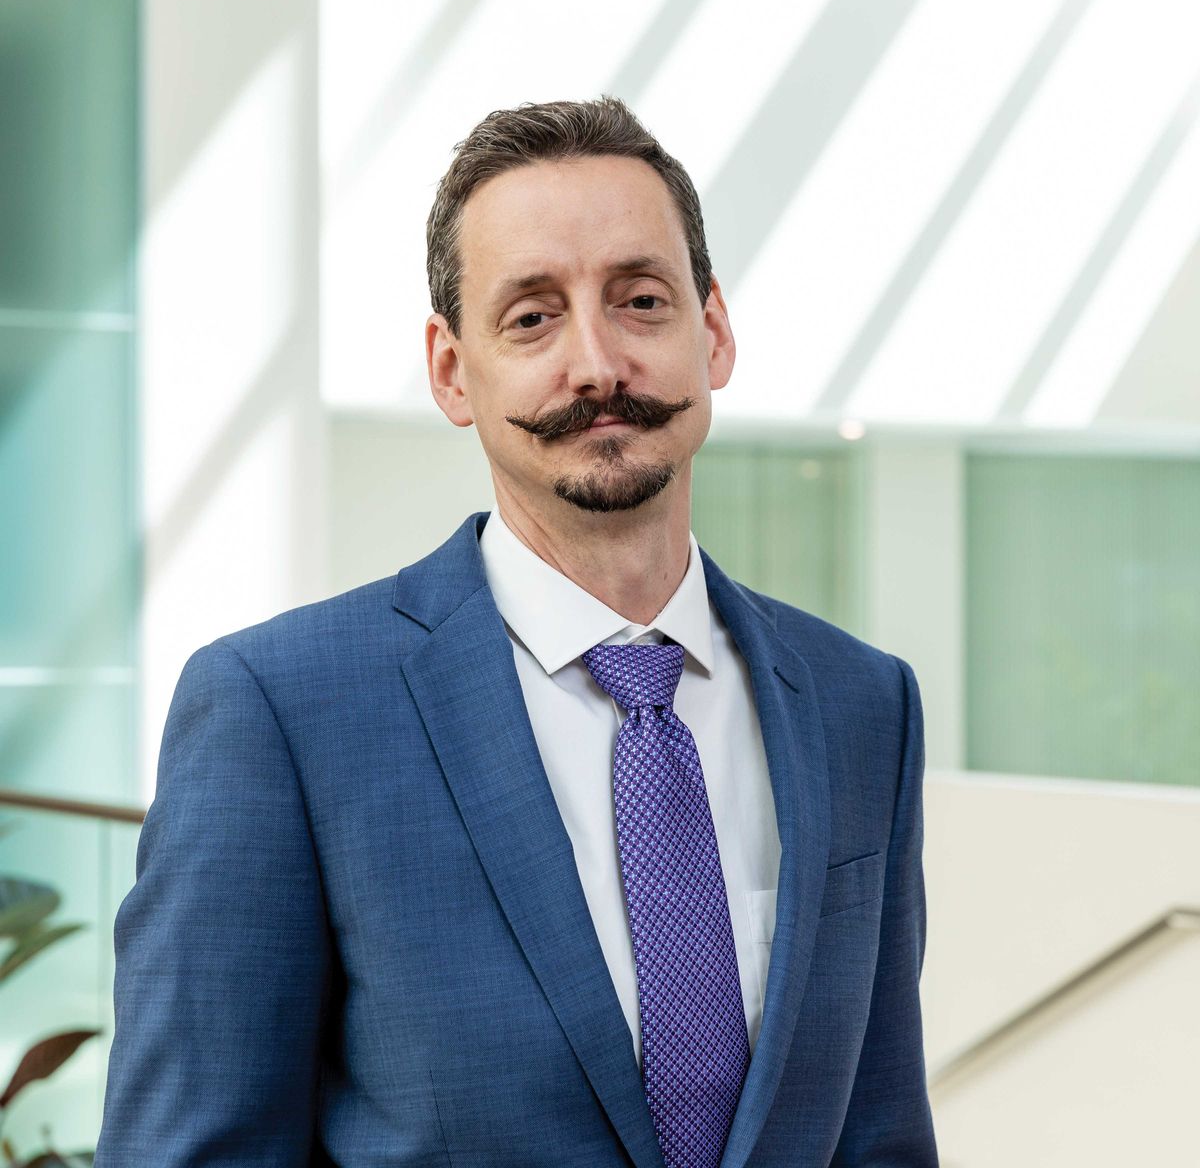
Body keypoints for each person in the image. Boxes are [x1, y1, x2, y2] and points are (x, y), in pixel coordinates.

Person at [96, 96, 938, 1167]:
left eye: (639, 300)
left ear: (712, 331)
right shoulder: (281, 712)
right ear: (453, 370)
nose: (596, 364)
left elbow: (880, 1136)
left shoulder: (865, 706)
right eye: (532, 317)